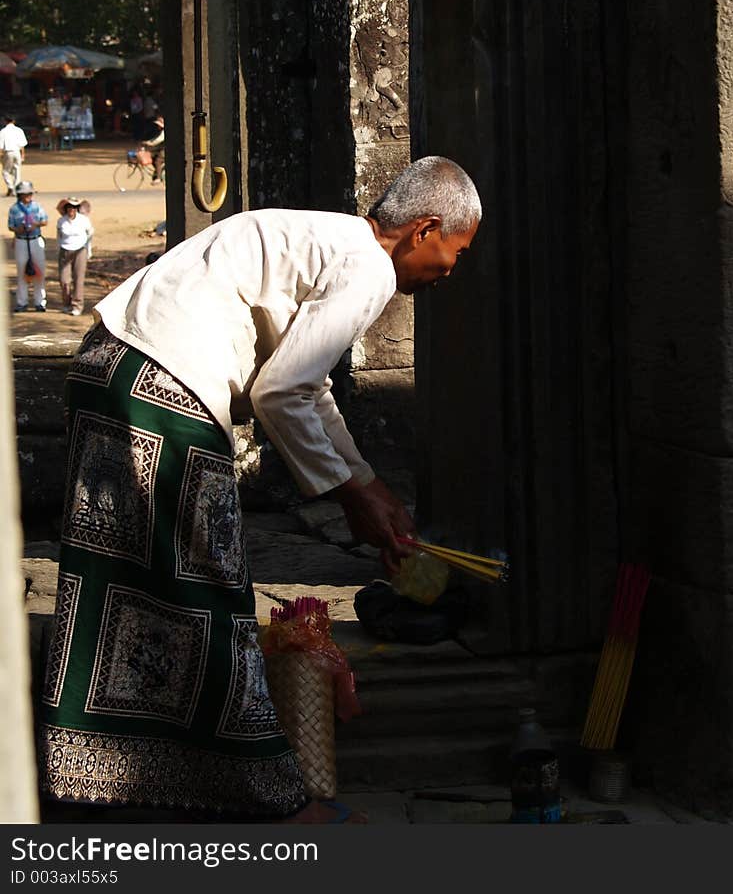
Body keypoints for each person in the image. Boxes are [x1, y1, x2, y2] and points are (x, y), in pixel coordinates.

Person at [38, 155, 481, 824]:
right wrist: (349, 493)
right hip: (169, 386)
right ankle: (267, 796)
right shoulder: (370, 266)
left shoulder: (329, 240)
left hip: (111, 364)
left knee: (118, 587)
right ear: (424, 229)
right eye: (456, 250)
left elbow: (308, 384)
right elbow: (282, 390)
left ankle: (91, 772)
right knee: (210, 591)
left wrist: (364, 478)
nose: (452, 269)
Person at [7, 179, 48, 312]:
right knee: (22, 272)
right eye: (26, 194)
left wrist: (36, 224)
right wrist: (18, 229)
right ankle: (22, 302)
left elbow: (45, 221)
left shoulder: (37, 206)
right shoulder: (14, 209)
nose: (28, 196)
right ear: (20, 195)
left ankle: (40, 302)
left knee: (39, 272)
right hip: (21, 241)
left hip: (35, 239)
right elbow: (10, 226)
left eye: (30, 193)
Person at [56, 196, 94, 316]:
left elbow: (90, 234)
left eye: (74, 207)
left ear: (77, 208)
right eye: (69, 207)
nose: (71, 210)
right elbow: (59, 236)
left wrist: (88, 250)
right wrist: (59, 248)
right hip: (65, 251)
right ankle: (66, 303)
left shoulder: (84, 220)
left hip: (80, 250)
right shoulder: (61, 221)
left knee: (78, 279)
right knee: (64, 280)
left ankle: (77, 305)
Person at [0, 114, 28, 196]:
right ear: (14, 121)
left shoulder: (3, 131)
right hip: (17, 152)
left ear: (5, 121)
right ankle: (16, 189)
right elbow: (22, 144)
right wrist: (23, 154)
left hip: (8, 152)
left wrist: (1, 154)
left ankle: (10, 186)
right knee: (17, 170)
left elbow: (0, 145)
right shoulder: (19, 130)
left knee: (5, 171)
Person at [140, 114, 165, 182]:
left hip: (165, 150)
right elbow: (154, 139)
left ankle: (158, 178)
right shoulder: (159, 131)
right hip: (161, 149)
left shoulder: (164, 132)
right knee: (153, 157)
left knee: (158, 161)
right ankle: (157, 172)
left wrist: (149, 143)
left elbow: (157, 140)